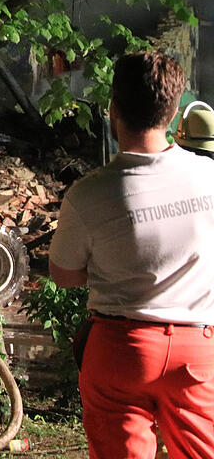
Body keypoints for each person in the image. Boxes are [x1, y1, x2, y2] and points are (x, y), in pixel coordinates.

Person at [49, 51, 214, 459]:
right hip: (198, 349)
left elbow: (64, 274)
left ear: (112, 109)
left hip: (118, 350)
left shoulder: (88, 193)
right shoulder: (209, 177)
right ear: (174, 113)